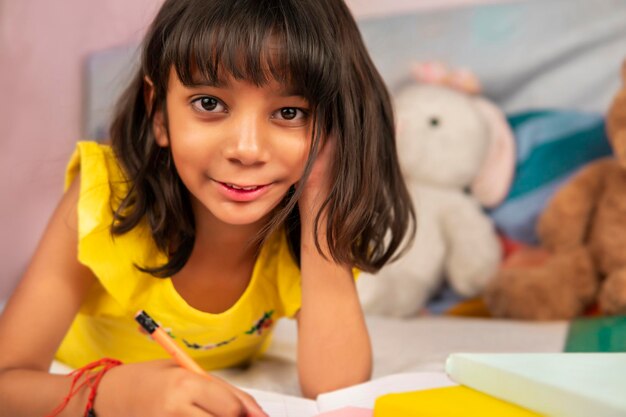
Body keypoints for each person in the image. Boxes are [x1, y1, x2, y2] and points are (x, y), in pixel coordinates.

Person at [0, 0, 415, 416]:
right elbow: (7, 381)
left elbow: (338, 390)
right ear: (159, 111)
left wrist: (322, 196)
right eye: (209, 104)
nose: (246, 150)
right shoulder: (102, 197)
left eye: (290, 112)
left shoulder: (310, 222)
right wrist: (108, 392)